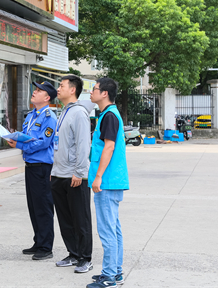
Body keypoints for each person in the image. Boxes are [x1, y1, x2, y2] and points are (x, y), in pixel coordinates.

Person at [7, 81, 57, 261]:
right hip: (30, 166)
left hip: (42, 167)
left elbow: (43, 142)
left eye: (38, 91)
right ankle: (38, 241)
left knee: (43, 207)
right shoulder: (31, 116)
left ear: (47, 97)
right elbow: (26, 136)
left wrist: (19, 144)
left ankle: (46, 247)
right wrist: (15, 138)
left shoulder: (49, 117)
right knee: (34, 206)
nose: (34, 93)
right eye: (34, 90)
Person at [87, 78, 129, 288]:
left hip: (108, 181)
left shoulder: (109, 116)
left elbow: (109, 147)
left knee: (107, 230)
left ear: (104, 93)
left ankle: (109, 276)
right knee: (113, 228)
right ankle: (116, 271)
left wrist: (98, 177)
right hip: (112, 180)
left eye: (94, 89)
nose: (91, 93)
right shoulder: (107, 115)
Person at [51, 75, 94, 274]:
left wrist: (79, 172)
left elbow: (84, 145)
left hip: (75, 176)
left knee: (80, 218)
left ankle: (85, 258)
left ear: (73, 90)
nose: (58, 89)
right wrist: (54, 171)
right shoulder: (64, 112)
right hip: (59, 174)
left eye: (61, 86)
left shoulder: (79, 113)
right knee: (65, 218)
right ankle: (73, 253)